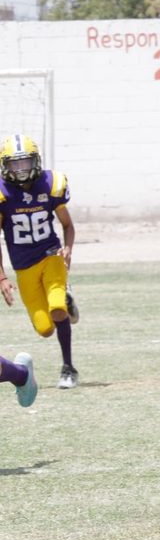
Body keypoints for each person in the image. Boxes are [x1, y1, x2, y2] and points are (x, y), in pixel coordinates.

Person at [0, 135, 80, 389]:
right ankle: (66, 299)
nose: (20, 170)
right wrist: (2, 277)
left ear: (36, 161)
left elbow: (67, 225)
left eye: (25, 163)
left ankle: (68, 368)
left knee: (57, 308)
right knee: (45, 329)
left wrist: (68, 248)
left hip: (51, 255)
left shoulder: (50, 184)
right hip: (24, 266)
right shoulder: (3, 194)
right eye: (15, 164)